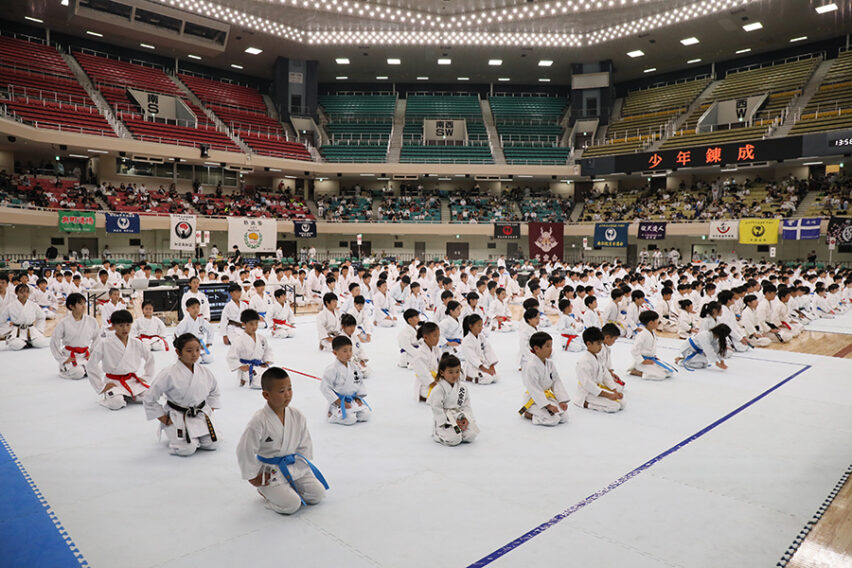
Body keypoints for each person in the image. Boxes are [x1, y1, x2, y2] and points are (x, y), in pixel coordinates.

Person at [236, 367, 328, 515]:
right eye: (281, 391)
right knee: (292, 505)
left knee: (317, 494)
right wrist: (252, 477)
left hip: (293, 465)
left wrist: (301, 467)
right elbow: (244, 449)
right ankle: (266, 492)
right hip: (269, 471)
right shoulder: (259, 421)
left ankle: (287, 488)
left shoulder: (297, 415)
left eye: (289, 389)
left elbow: (304, 444)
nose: (287, 395)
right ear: (266, 394)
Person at [143, 333, 221, 456]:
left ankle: (195, 436)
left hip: (199, 414)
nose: (195, 354)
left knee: (213, 443)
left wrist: (209, 410)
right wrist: (163, 417)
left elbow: (214, 392)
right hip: (177, 416)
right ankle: (173, 433)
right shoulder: (168, 373)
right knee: (187, 449)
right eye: (189, 351)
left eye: (197, 350)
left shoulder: (204, 372)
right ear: (178, 352)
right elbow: (149, 397)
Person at [87, 309, 155, 410]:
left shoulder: (136, 342)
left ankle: (128, 396)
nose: (125, 329)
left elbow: (150, 358)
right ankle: (116, 396)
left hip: (131, 380)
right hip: (114, 382)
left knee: (151, 397)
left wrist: (146, 377)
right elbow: (91, 365)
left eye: (128, 325)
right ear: (113, 326)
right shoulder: (104, 343)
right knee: (117, 403)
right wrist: (101, 386)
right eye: (121, 325)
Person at [519, 331, 570, 426]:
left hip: (546, 398)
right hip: (534, 400)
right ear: (537, 348)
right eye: (547, 346)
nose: (551, 349)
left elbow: (556, 382)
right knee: (553, 420)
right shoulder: (531, 366)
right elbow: (534, 389)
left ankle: (543, 411)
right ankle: (528, 414)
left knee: (564, 417)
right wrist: (548, 405)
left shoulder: (550, 364)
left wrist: (561, 400)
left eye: (551, 346)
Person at [427, 354, 479, 446]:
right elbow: (437, 408)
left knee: (471, 435)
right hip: (446, 421)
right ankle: (438, 434)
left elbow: (466, 405)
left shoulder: (462, 387)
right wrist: (449, 422)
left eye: (457, 371)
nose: (454, 375)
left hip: (459, 417)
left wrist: (465, 419)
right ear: (442, 372)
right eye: (450, 372)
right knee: (454, 439)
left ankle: (459, 431)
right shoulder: (438, 389)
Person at [321, 335, 370, 426]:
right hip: (338, 402)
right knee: (350, 419)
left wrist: (358, 397)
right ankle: (332, 415)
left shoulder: (354, 366)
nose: (348, 354)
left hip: (351, 400)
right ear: (335, 353)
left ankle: (351, 412)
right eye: (345, 351)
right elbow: (325, 388)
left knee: (365, 415)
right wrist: (340, 402)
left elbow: (359, 382)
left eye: (350, 350)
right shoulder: (331, 369)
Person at [49, 293, 101, 379]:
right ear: (71, 306)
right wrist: (62, 359)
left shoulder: (91, 321)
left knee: (98, 371)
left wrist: (91, 353)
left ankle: (83, 369)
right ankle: (66, 369)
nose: (84, 306)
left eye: (84, 303)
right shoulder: (64, 322)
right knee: (78, 373)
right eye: (80, 304)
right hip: (70, 356)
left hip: (85, 355)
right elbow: (54, 342)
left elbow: (97, 339)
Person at [573, 327, 625, 413]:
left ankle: (603, 398)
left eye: (601, 344)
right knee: (614, 406)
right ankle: (586, 404)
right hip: (588, 393)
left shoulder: (598, 358)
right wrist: (608, 395)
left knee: (623, 403)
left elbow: (605, 375)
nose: (601, 347)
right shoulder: (583, 362)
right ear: (589, 344)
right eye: (598, 344)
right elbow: (588, 384)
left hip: (598, 389)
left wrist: (614, 390)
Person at [227, 309, 273, 389]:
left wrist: (267, 361)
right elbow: (231, 357)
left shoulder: (261, 338)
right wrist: (241, 366)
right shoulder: (239, 340)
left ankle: (249, 381)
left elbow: (267, 351)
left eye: (256, 323)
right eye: (251, 324)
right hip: (247, 369)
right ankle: (243, 380)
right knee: (261, 383)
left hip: (259, 366)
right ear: (244, 324)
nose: (254, 327)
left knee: (273, 377)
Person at [629, 311, 675, 380]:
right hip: (643, 362)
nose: (658, 322)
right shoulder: (642, 334)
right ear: (650, 323)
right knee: (660, 376)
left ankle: (645, 370)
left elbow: (649, 348)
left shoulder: (652, 332)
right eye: (657, 321)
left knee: (668, 371)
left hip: (651, 359)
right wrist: (642, 361)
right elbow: (634, 350)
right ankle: (637, 372)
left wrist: (653, 356)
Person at [1, 284, 49, 350]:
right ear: (16, 293)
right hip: (17, 331)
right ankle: (27, 343)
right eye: (22, 292)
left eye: (27, 292)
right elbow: (1, 320)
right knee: (16, 345)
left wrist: (39, 329)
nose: (25, 294)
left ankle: (29, 342)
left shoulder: (33, 305)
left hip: (31, 330)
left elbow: (41, 317)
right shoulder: (10, 306)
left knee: (41, 343)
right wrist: (8, 331)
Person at [460, 314, 499, 384]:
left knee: (496, 377)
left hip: (482, 364)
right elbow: (472, 357)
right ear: (471, 326)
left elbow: (488, 350)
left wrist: (491, 366)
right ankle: (469, 378)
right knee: (488, 378)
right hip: (472, 366)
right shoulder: (466, 340)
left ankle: (477, 376)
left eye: (481, 325)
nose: (481, 328)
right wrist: (485, 369)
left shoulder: (481, 337)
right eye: (478, 325)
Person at [175, 298, 215, 364]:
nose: (196, 310)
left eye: (197, 307)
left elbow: (210, 330)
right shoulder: (185, 322)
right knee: (197, 360)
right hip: (189, 345)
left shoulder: (202, 320)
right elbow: (177, 334)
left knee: (210, 359)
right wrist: (182, 347)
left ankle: (198, 356)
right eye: (193, 308)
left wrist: (208, 343)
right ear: (187, 309)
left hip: (200, 345)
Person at [411, 321, 442, 402]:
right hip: (425, 385)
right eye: (435, 336)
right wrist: (435, 384)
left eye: (438, 335)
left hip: (436, 379)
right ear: (425, 337)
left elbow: (442, 364)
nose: (438, 339)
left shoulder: (436, 349)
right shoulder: (419, 354)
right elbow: (423, 373)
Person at [340, 314, 371, 379]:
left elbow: (360, 350)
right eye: (350, 326)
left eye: (354, 326)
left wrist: (362, 360)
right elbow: (344, 356)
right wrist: (356, 363)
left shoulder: (355, 337)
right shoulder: (341, 338)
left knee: (367, 371)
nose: (352, 329)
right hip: (346, 363)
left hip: (356, 361)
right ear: (343, 326)